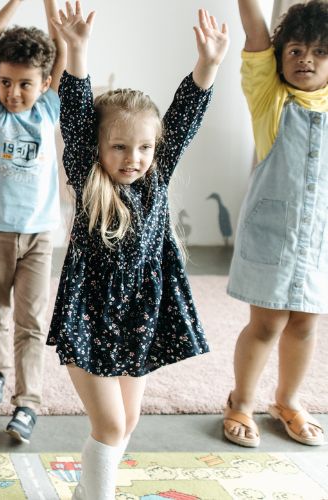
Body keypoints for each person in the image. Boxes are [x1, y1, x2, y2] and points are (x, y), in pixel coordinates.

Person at [48, 2, 227, 498]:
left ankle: (87, 492)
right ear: (99, 149)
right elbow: (79, 114)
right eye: (120, 147)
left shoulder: (156, 177)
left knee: (126, 424)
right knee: (108, 426)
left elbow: (185, 118)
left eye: (144, 148)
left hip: (142, 314)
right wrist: (76, 51)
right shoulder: (88, 177)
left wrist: (208, 65)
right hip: (91, 314)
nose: (134, 158)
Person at [223, 0, 328, 448]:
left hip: (320, 238)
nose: (306, 59)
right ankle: (240, 403)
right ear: (279, 58)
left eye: (320, 51)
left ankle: (287, 400)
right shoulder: (271, 97)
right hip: (272, 236)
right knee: (266, 325)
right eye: (296, 50)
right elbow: (256, 32)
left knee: (305, 325)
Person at [0, 0, 66, 443]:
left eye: (24, 84)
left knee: (31, 322)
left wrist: (50, 7)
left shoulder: (48, 109)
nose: (13, 93)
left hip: (40, 237)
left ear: (44, 82)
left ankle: (27, 403)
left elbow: (60, 47)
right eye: (5, 82)